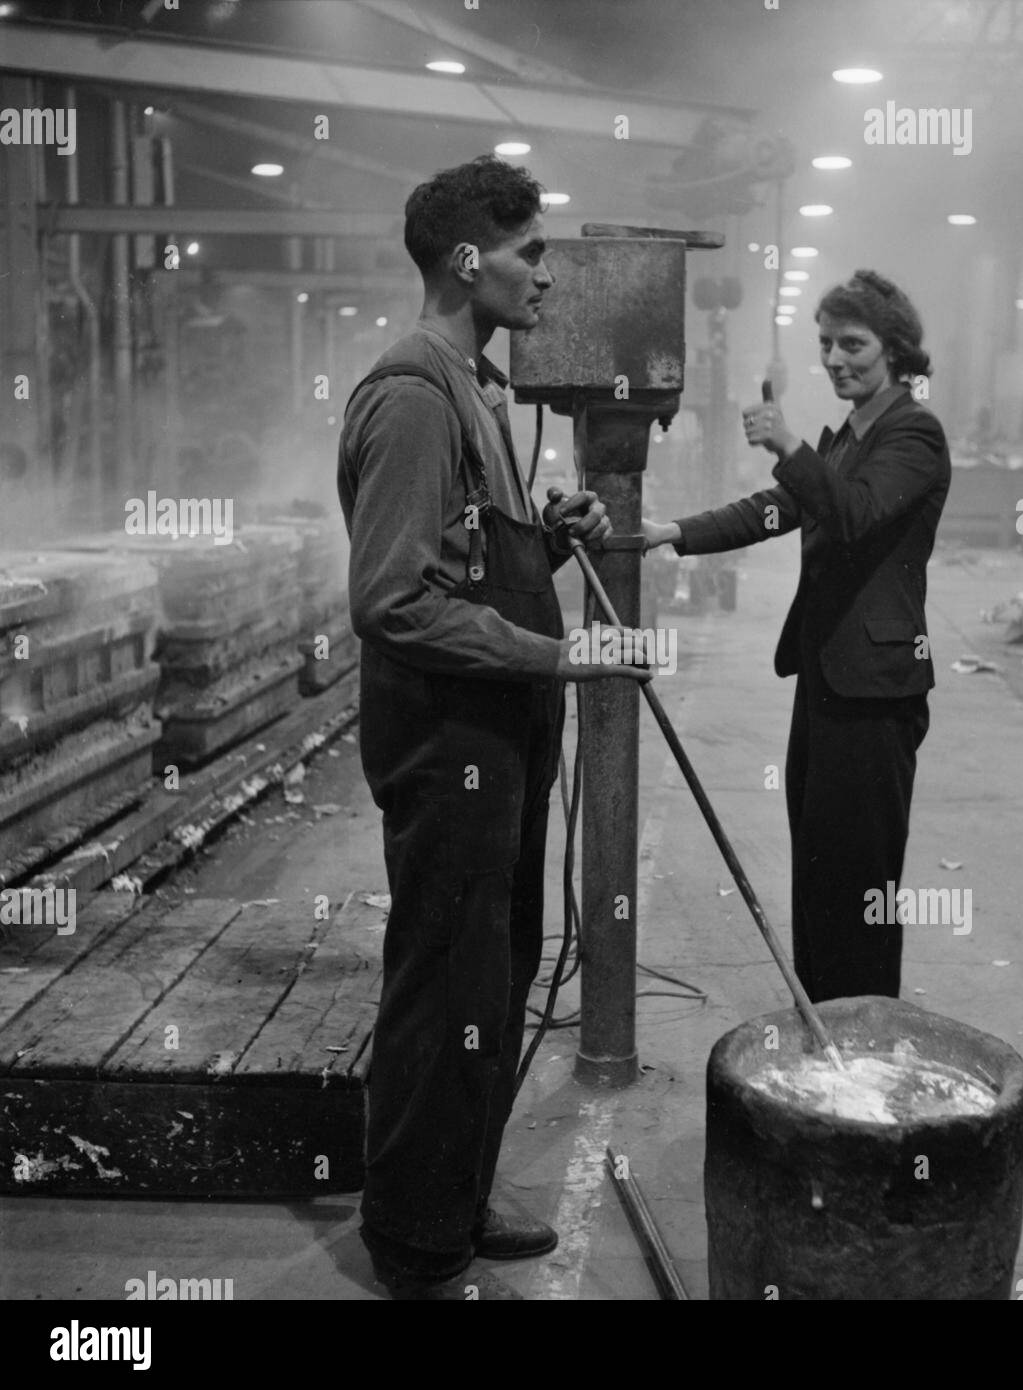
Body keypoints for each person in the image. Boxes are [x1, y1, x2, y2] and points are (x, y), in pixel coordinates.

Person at [337, 155, 648, 1301]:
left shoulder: (475, 385)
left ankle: (455, 1196)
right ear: (470, 259)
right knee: (446, 979)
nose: (547, 280)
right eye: (531, 255)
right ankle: (414, 1235)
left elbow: (464, 553)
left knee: (495, 969)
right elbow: (392, 597)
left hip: (496, 733)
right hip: (447, 741)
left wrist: (543, 532)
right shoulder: (415, 394)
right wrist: (556, 650)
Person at [643, 268, 950, 1003]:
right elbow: (774, 511)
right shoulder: (847, 437)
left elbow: (850, 514)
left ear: (895, 349)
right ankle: (823, 1027)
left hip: (874, 692)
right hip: (825, 680)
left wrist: (787, 445)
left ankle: (865, 1033)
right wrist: (670, 533)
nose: (836, 358)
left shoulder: (913, 432)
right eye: (826, 344)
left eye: (854, 344)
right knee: (818, 865)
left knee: (859, 881)